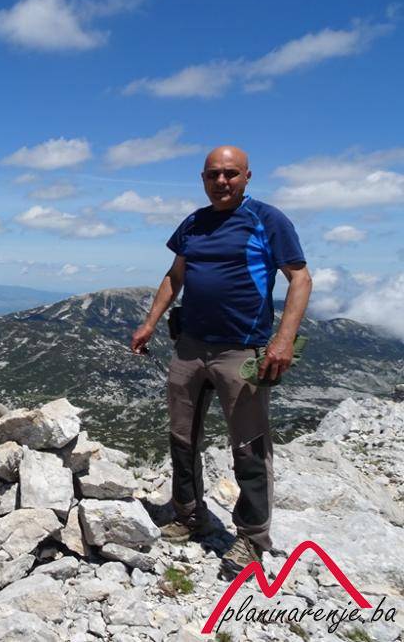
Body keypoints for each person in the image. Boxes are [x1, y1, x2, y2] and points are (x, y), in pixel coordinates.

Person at [130, 146, 312, 580]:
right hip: (190, 346)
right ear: (202, 178)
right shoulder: (194, 222)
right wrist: (149, 323)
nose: (222, 181)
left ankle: (252, 537)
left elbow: (300, 278)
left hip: (242, 350)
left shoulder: (267, 220)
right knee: (182, 437)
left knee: (249, 445)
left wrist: (283, 340)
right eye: (213, 174)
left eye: (231, 173)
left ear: (247, 176)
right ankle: (188, 513)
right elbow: (176, 274)